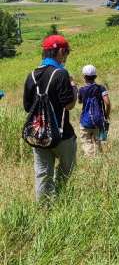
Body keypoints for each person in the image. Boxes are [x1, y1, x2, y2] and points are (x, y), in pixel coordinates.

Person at [23, 35, 77, 201]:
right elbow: (69, 105)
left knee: (42, 173)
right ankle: (60, 199)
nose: (66, 56)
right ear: (60, 52)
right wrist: (74, 88)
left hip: (39, 134)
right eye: (66, 52)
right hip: (62, 134)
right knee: (66, 169)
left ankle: (44, 207)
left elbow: (27, 107)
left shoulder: (31, 75)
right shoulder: (61, 74)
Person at [78, 65, 111, 156]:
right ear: (95, 76)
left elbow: (79, 101)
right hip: (98, 120)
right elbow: (107, 103)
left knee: (86, 142)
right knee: (98, 141)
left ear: (84, 77)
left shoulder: (82, 90)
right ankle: (98, 157)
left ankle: (91, 158)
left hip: (85, 121)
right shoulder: (101, 88)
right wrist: (106, 115)